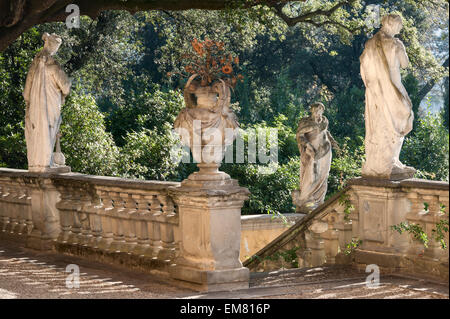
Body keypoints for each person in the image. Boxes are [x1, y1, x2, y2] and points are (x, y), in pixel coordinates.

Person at [360, 14, 415, 179]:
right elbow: (405, 64)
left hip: (375, 91)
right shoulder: (395, 44)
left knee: (381, 124)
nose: (400, 29)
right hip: (392, 89)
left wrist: (372, 88)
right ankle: (388, 161)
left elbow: (364, 69)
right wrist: (401, 48)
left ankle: (390, 160)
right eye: (399, 26)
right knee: (402, 120)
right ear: (392, 25)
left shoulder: (370, 44)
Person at [23, 32, 71, 172]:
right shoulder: (53, 66)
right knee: (48, 129)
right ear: (54, 47)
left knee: (36, 129)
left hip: (35, 106)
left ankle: (36, 164)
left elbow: (27, 89)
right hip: (49, 105)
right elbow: (66, 87)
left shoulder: (35, 63)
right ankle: (45, 164)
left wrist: (28, 101)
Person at [295, 102, 338, 213]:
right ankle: (306, 200)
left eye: (320, 111)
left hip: (325, 152)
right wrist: (308, 145)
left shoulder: (324, 121)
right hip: (312, 153)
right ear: (312, 111)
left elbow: (326, 132)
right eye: (316, 111)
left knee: (323, 176)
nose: (318, 114)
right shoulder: (305, 122)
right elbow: (300, 135)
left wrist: (332, 141)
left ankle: (318, 201)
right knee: (311, 175)